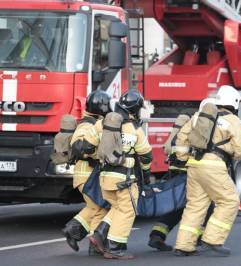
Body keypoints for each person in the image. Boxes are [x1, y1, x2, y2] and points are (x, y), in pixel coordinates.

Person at [174, 85, 241, 257]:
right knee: (229, 201)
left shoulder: (198, 116)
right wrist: (231, 150)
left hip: (194, 165)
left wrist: (182, 158)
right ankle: (212, 239)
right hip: (214, 166)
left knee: (195, 206)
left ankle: (184, 245)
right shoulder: (232, 120)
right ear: (234, 102)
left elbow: (181, 137)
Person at [91, 89, 153, 259]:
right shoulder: (134, 129)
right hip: (124, 180)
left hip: (104, 178)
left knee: (118, 208)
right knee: (127, 211)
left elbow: (88, 145)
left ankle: (99, 234)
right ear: (134, 110)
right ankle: (115, 248)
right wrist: (146, 173)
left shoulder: (102, 124)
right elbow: (146, 154)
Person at [147, 101, 214, 252]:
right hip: (188, 173)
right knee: (204, 206)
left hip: (174, 171)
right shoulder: (198, 127)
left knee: (176, 207)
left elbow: (167, 149)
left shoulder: (180, 128)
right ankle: (196, 239)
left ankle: (157, 235)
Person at [62, 90, 112, 255]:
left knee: (97, 207)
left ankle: (81, 235)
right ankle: (86, 239)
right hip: (86, 175)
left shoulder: (94, 122)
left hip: (89, 175)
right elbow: (78, 146)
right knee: (99, 207)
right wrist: (98, 153)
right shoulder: (86, 124)